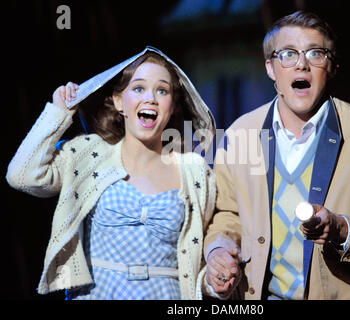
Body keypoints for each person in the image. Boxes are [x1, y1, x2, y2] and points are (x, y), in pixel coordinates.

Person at [203, 11, 350, 300]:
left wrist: (342, 229)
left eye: (316, 53)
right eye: (288, 54)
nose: (301, 64)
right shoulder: (240, 134)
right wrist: (219, 249)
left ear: (331, 66)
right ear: (270, 68)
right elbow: (226, 213)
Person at [6, 46, 217, 300]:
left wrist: (215, 278)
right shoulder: (89, 154)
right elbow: (21, 176)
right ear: (119, 101)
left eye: (162, 90)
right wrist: (58, 112)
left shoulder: (194, 170)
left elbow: (203, 255)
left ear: (172, 106)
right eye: (138, 88)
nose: (150, 98)